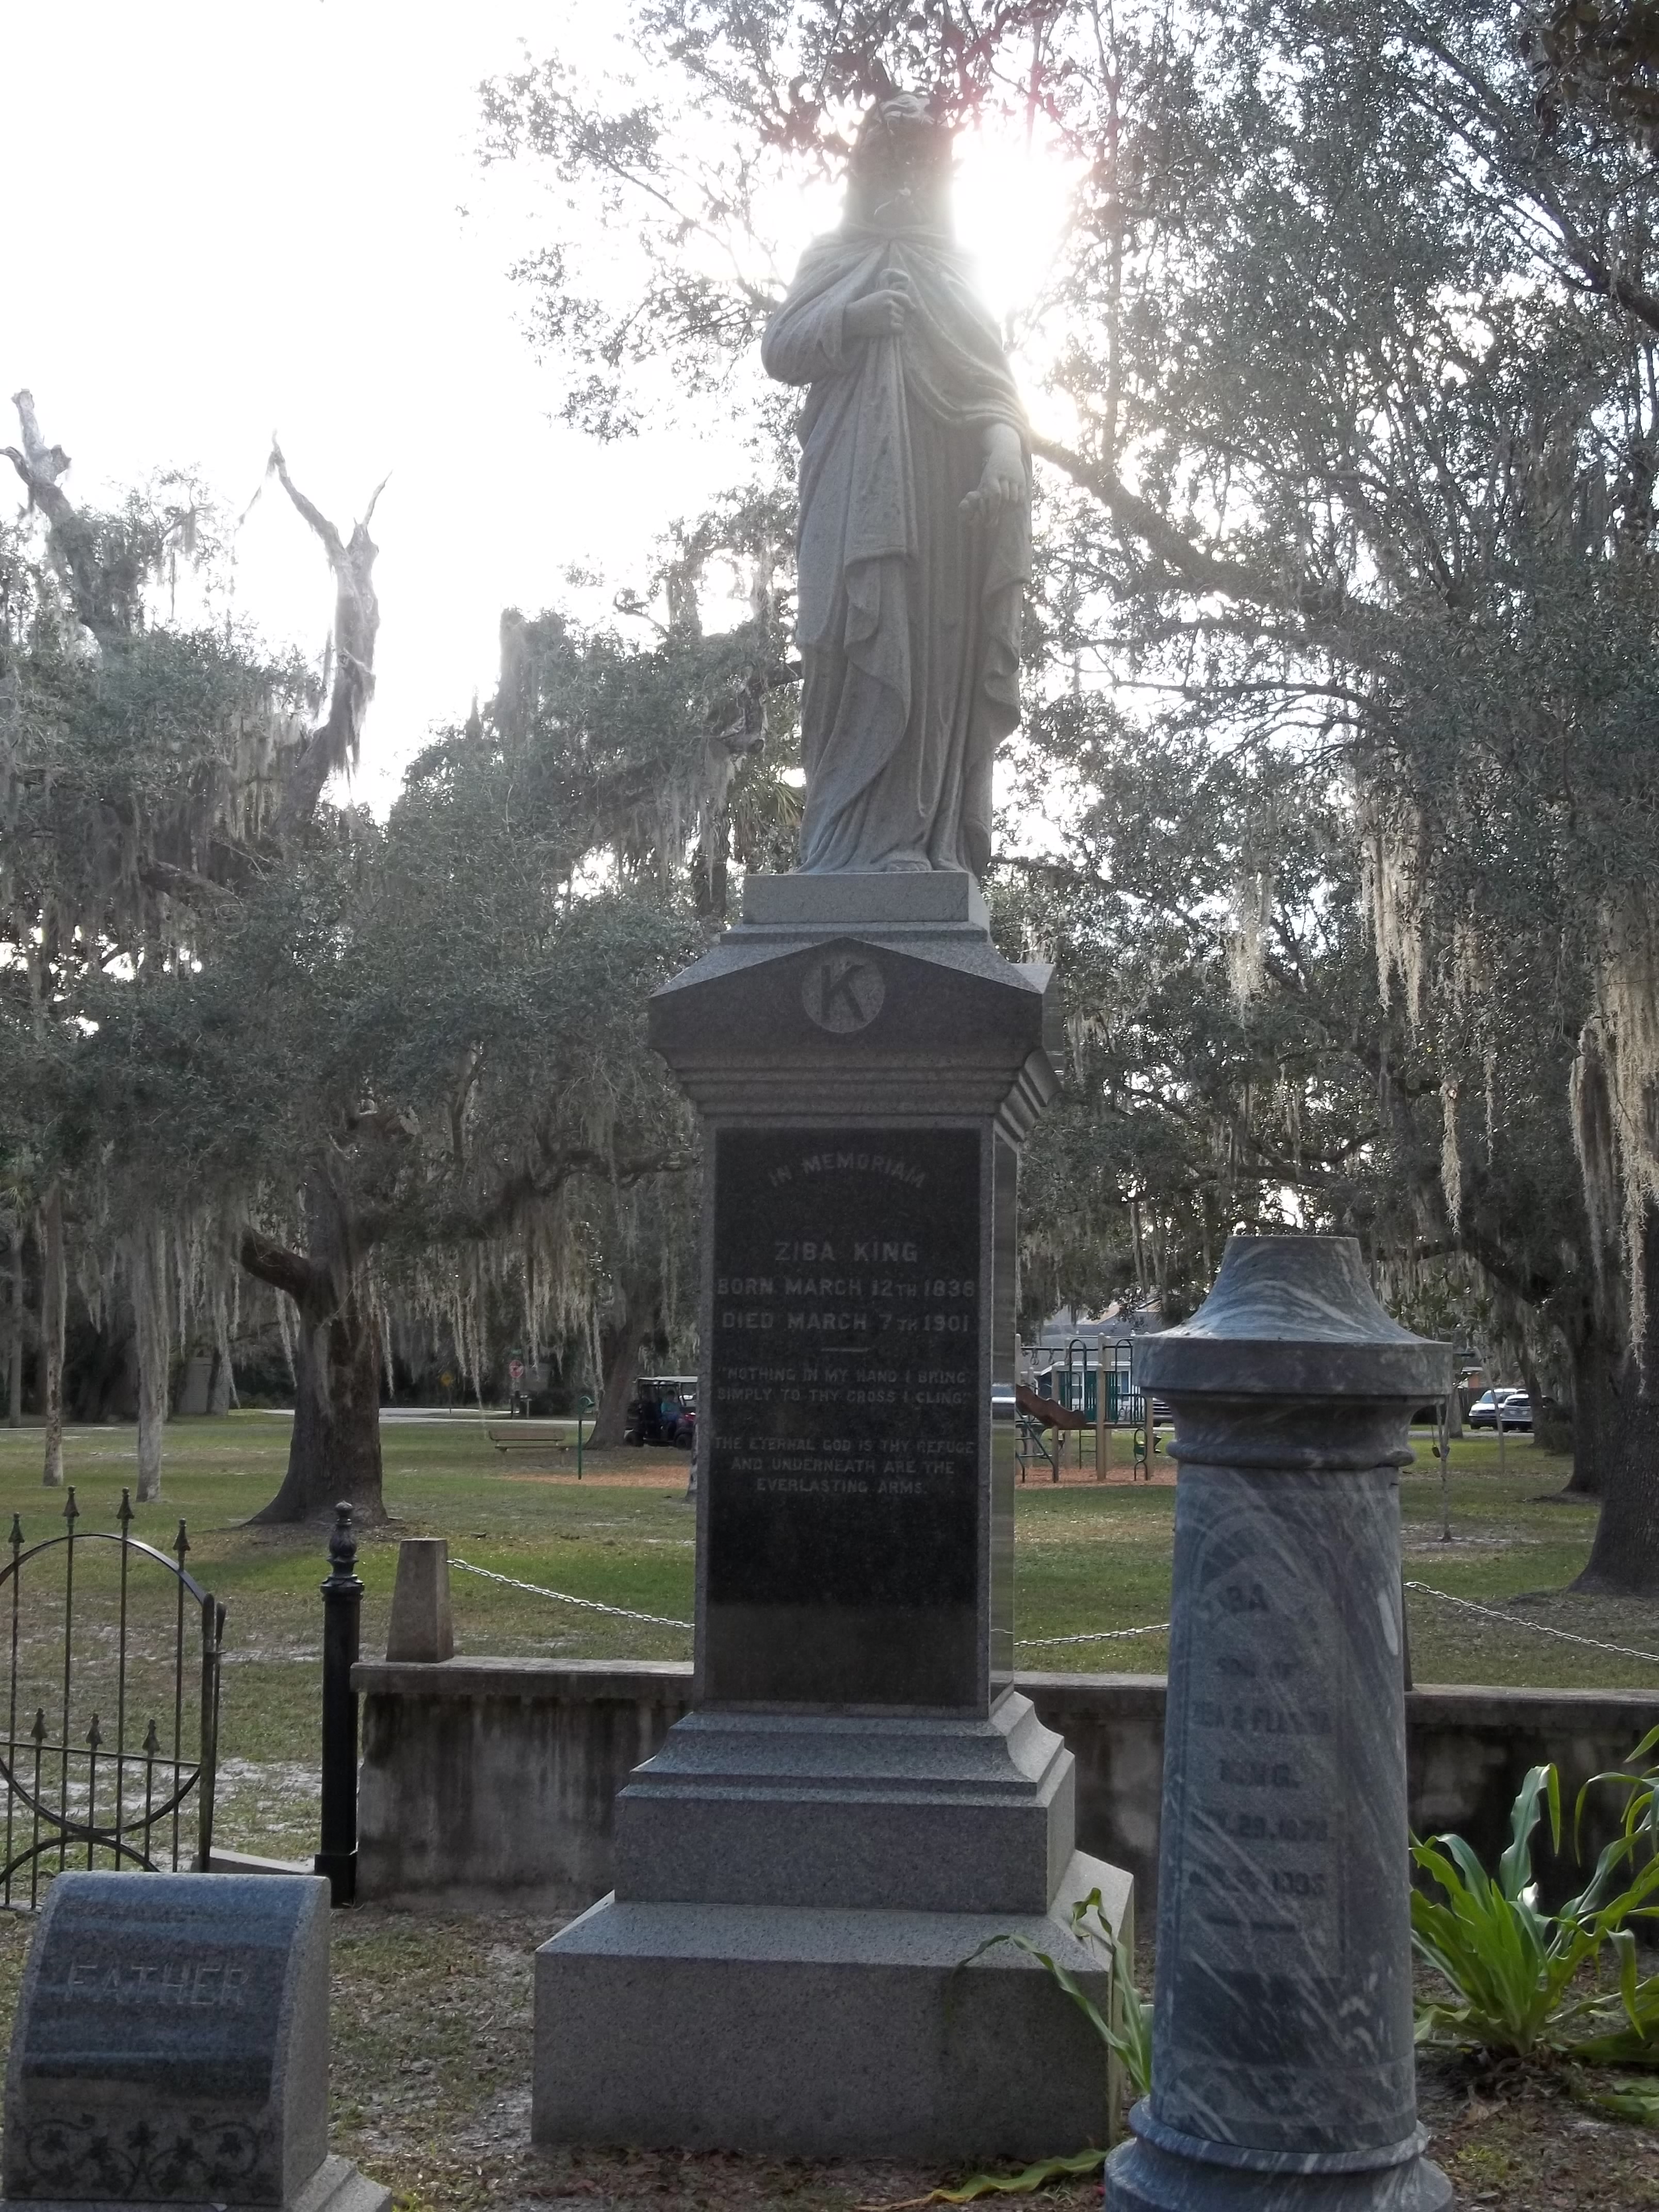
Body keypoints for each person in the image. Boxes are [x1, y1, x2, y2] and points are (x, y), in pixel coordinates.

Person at [761, 92, 1031, 877]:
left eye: (921, 163)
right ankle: (840, 846)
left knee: (929, 653)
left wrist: (1006, 454)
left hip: (942, 499)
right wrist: (857, 315)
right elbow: (781, 348)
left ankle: (911, 841)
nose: (906, 181)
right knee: (850, 646)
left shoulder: (956, 268)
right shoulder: (831, 256)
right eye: (893, 159)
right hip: (851, 488)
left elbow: (993, 384)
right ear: (869, 167)